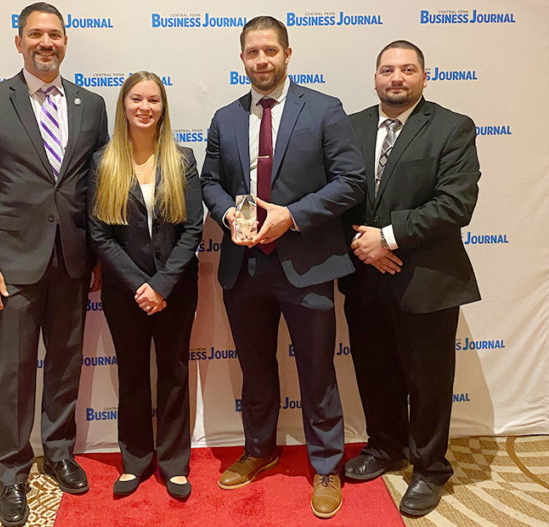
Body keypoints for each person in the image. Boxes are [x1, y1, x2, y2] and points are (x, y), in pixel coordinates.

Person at [201, 16, 366, 518]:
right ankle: (259, 449)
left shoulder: (323, 109)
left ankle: (326, 466)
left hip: (308, 265)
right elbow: (209, 180)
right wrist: (228, 213)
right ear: (243, 58)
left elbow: (350, 181)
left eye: (270, 51)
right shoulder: (225, 117)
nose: (261, 61)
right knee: (254, 368)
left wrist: (292, 217)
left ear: (288, 54)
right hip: (244, 266)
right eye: (252, 52)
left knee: (317, 370)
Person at [0, 3, 108, 525]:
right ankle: (13, 474)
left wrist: (102, 255)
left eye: (55, 34)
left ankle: (59, 452)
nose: (47, 42)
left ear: (66, 42)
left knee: (65, 366)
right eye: (36, 34)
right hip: (12, 266)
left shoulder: (92, 105)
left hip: (73, 262)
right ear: (18, 42)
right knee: (13, 375)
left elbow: (98, 187)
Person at [339, 40, 481, 517]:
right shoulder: (351, 126)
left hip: (427, 281)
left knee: (429, 381)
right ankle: (385, 447)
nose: (395, 78)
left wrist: (390, 237)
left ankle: (430, 468)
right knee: (374, 372)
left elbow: (455, 204)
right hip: (365, 278)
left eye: (407, 69)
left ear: (425, 76)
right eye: (386, 70)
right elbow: (335, 196)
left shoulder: (451, 127)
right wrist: (365, 246)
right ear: (375, 77)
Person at [89, 71, 203, 499]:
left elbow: (193, 230)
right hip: (125, 291)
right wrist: (141, 285)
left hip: (175, 289)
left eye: (153, 100)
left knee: (173, 373)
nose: (145, 107)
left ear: (163, 108)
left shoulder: (183, 159)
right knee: (133, 374)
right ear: (124, 105)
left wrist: (163, 284)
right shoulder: (103, 162)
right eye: (136, 99)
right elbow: (99, 234)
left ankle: (174, 463)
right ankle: (134, 461)